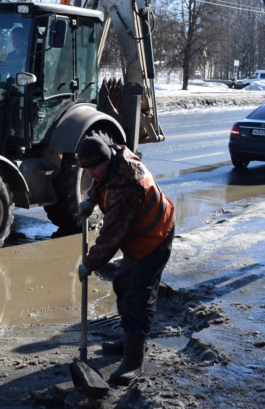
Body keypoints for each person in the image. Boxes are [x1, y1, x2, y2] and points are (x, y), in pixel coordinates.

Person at [76, 135, 175, 386]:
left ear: (106, 161)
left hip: (154, 237)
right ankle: (128, 339)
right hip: (136, 233)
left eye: (93, 168)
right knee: (122, 283)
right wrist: (91, 200)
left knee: (138, 297)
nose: (91, 174)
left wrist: (90, 262)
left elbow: (111, 236)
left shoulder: (126, 186)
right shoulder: (111, 158)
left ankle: (134, 361)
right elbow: (100, 181)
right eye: (85, 169)